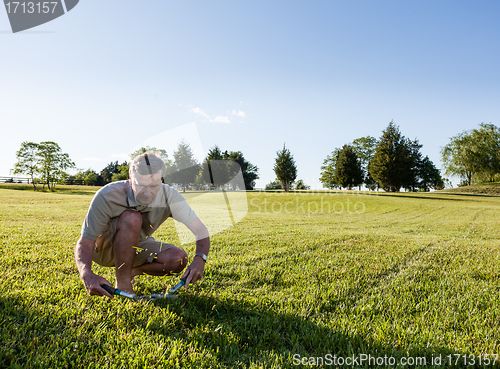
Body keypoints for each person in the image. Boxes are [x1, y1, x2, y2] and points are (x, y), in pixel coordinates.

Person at [74, 151, 209, 298]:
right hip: (104, 251)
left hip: (137, 246)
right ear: (131, 179)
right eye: (141, 186)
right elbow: (85, 241)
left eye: (154, 186)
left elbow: (200, 230)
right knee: (132, 218)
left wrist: (200, 259)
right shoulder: (107, 195)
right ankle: (123, 284)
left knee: (178, 258)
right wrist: (86, 274)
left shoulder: (170, 196)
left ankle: (131, 271)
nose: (147, 193)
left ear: (161, 180)